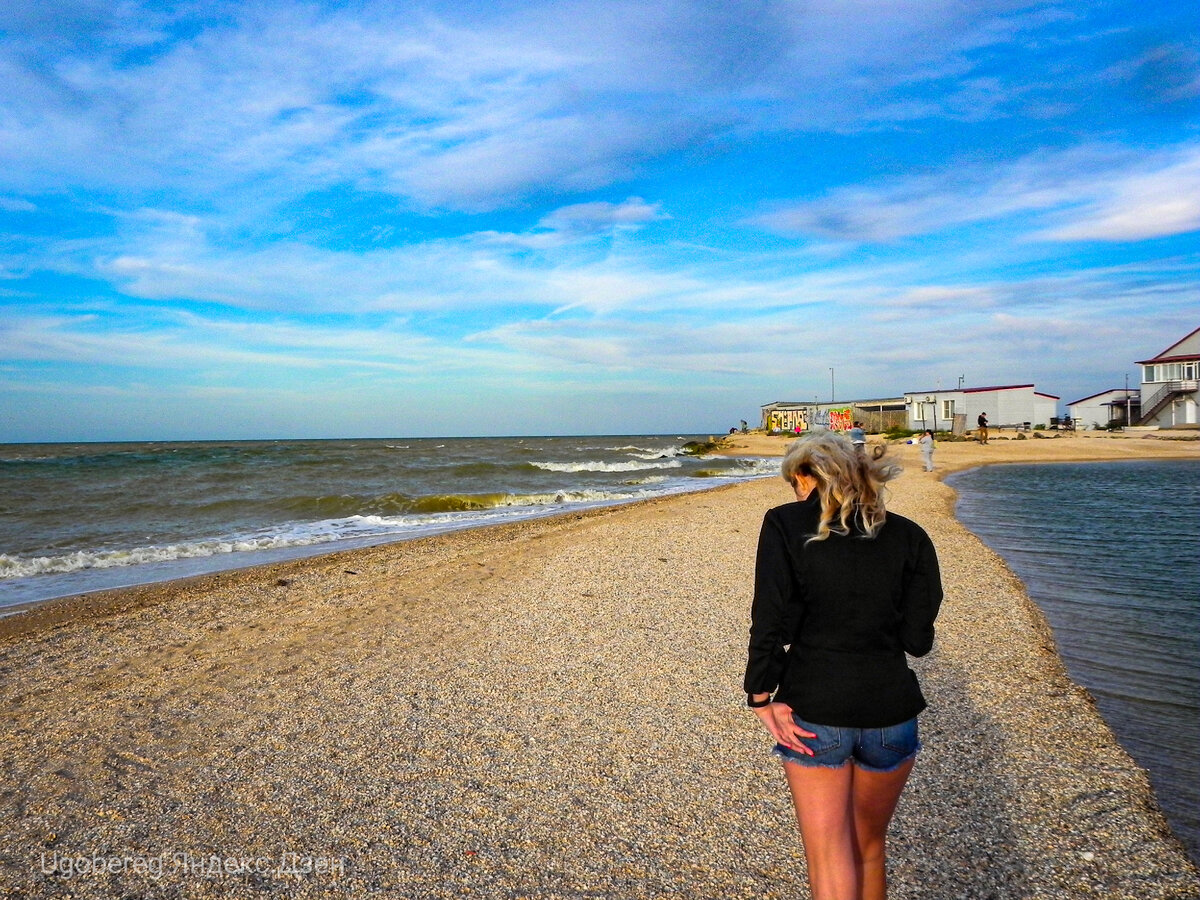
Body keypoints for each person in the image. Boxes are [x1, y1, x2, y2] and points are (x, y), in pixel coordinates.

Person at [744, 431, 943, 900]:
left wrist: (760, 695)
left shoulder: (784, 523)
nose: (795, 492)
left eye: (796, 480)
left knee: (830, 855)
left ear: (809, 477)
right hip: (892, 714)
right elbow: (918, 641)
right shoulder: (910, 535)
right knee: (869, 846)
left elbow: (769, 615)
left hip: (816, 710)